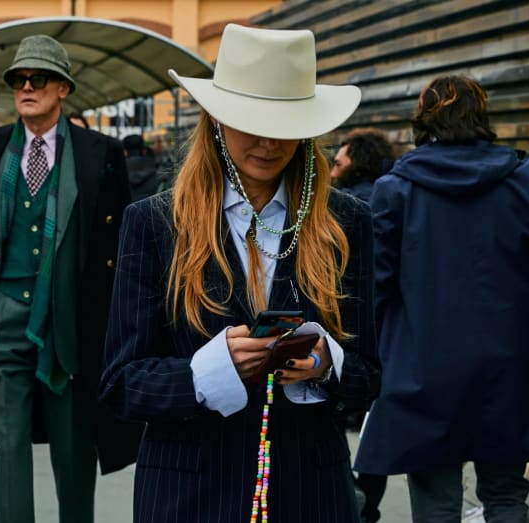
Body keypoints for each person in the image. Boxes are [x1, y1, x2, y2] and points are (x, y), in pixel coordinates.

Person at [99, 24, 380, 523]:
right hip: (189, 496)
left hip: (310, 494)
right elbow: (122, 384)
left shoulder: (346, 221)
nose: (269, 141)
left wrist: (325, 364)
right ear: (215, 121)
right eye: (251, 121)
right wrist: (211, 370)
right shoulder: (155, 223)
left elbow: (369, 377)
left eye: (286, 123)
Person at [0, 34, 142, 523]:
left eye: (38, 79)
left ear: (63, 89)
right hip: (0, 316)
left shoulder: (101, 152)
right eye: (19, 79)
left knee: (74, 447)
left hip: (72, 322)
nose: (26, 87)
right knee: (9, 445)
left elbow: (119, 244)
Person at [355, 75, 529, 522]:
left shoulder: (395, 188)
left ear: (424, 117)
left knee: (434, 504)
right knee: (508, 497)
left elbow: (377, 284)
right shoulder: (526, 181)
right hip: (510, 365)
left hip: (423, 368)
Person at [329, 128, 396, 523]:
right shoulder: (390, 198)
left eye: (339, 162)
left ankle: (355, 504)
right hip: (386, 334)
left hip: (349, 329)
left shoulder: (347, 208)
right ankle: (366, 505)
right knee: (375, 431)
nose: (334, 169)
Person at [330, 128, 395, 201]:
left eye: (338, 164)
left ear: (358, 163)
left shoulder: (353, 200)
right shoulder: (388, 192)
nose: (332, 174)